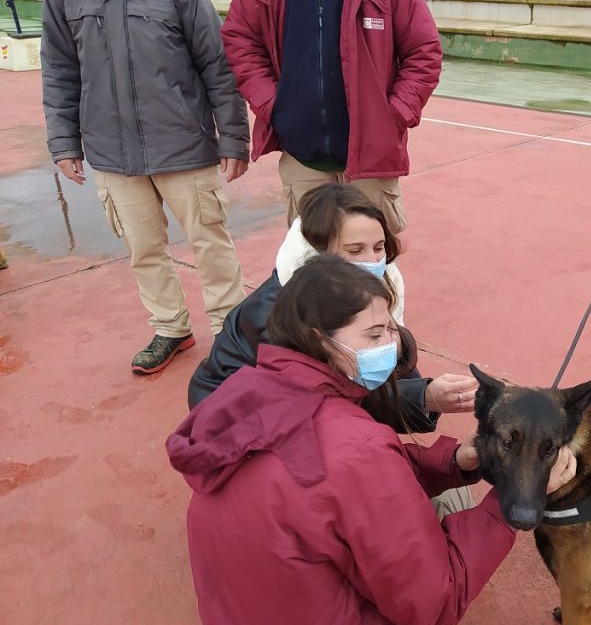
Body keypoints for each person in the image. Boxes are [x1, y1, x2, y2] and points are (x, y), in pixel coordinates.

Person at [167, 254, 577, 625]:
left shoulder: (244, 395)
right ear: (318, 339)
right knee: (456, 507)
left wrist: (452, 462)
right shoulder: (357, 449)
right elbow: (436, 600)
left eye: (391, 329)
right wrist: (509, 501)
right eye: (375, 333)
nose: (393, 345)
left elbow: (337, 480)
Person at [41, 0, 250, 375]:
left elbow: (217, 64)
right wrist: (64, 140)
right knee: (143, 248)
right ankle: (171, 327)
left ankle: (231, 331)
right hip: (112, 151)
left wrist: (233, 136)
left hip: (184, 143)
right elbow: (59, 69)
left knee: (210, 242)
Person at [221, 0, 442, 315]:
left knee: (375, 259)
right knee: (310, 261)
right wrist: (273, 104)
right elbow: (240, 40)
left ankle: (385, 341)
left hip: (372, 157)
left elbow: (424, 52)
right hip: (303, 155)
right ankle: (320, 348)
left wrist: (393, 116)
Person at [187, 184, 473, 443]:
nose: (373, 261)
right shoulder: (280, 318)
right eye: (354, 250)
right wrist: (425, 397)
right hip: (234, 424)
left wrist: (414, 376)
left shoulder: (374, 284)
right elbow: (333, 396)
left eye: (378, 247)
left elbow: (383, 356)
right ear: (318, 253)